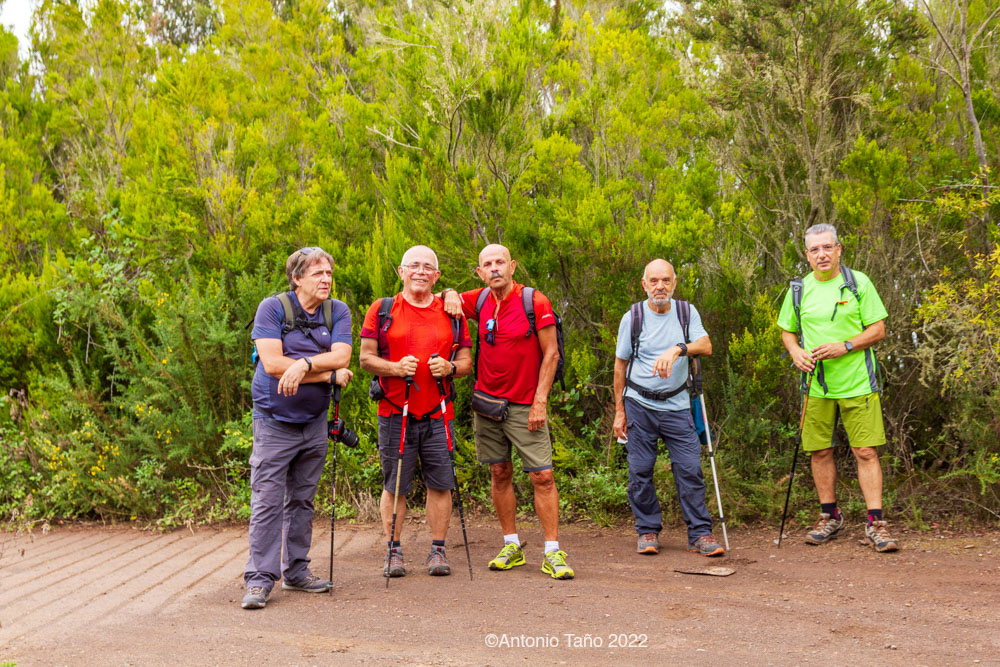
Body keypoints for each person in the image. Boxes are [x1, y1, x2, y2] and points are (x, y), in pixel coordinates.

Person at [443, 244, 574, 580]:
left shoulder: (534, 301)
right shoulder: (480, 300)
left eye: (500, 262)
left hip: (526, 405)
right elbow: (444, 298)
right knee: (499, 472)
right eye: (487, 264)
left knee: (542, 476)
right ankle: (511, 545)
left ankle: (552, 552)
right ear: (479, 272)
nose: (494, 268)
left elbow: (551, 354)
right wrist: (450, 292)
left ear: (512, 266)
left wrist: (540, 401)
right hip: (487, 404)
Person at [243, 247, 354, 610]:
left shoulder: (337, 311)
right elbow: (272, 364)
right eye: (318, 273)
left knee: (302, 501)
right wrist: (328, 376)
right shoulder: (272, 308)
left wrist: (304, 365)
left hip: (315, 422)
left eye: (329, 273)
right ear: (297, 278)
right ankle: (259, 580)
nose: (326, 279)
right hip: (273, 421)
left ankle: (296, 571)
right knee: (267, 502)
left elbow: (343, 357)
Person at [777, 223, 898, 552]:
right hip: (815, 386)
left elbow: (878, 329)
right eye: (815, 249)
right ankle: (829, 517)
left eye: (827, 247)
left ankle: (876, 524)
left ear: (839, 249)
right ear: (807, 255)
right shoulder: (798, 290)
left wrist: (845, 345)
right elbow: (787, 331)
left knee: (866, 452)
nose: (822, 254)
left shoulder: (858, 283)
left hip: (858, 382)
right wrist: (795, 352)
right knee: (820, 451)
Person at [359, 245, 473, 578]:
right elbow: (365, 358)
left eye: (427, 267)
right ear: (401, 271)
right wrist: (394, 369)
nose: (420, 272)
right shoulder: (382, 309)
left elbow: (466, 361)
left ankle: (438, 550)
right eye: (414, 266)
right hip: (395, 411)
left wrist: (450, 368)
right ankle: (393, 552)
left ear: (437, 276)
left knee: (441, 484)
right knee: (395, 485)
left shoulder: (452, 312)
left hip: (439, 412)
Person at [612, 259, 726, 557]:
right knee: (640, 470)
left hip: (677, 404)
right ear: (644, 284)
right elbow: (620, 365)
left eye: (666, 280)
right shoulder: (633, 317)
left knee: (690, 469)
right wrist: (619, 411)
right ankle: (647, 530)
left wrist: (678, 349)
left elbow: (706, 345)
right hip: (639, 404)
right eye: (654, 281)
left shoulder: (687, 312)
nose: (660, 286)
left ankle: (700, 534)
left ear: (674, 283)